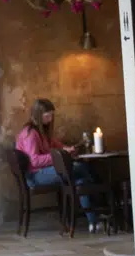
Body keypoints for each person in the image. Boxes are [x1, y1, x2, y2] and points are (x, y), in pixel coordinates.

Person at [15, 98, 107, 233]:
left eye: (52, 115)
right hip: (36, 175)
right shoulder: (30, 134)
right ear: (38, 115)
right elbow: (34, 161)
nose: (51, 119)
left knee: (80, 180)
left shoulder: (42, 131)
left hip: (44, 171)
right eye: (48, 116)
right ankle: (102, 200)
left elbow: (56, 145)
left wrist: (67, 149)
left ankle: (93, 222)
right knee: (80, 168)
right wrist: (60, 155)